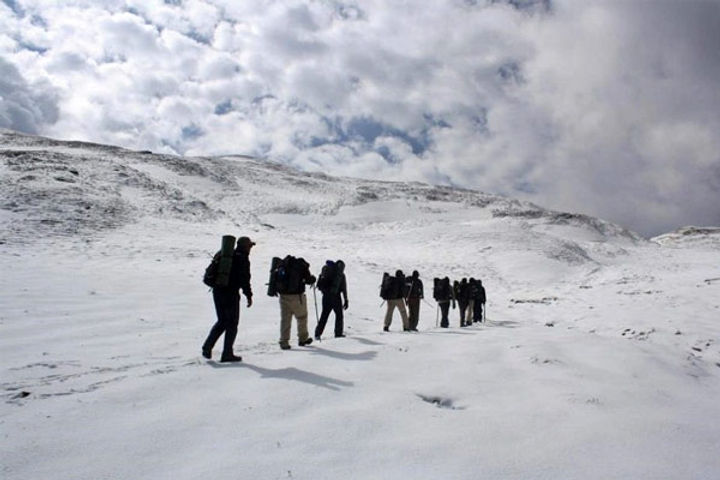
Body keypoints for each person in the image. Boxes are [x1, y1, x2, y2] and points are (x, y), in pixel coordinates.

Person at [202, 236, 254, 362]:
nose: (250, 248)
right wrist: (248, 295)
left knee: (222, 321)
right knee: (232, 324)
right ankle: (227, 353)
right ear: (245, 246)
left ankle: (207, 347)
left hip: (218, 291)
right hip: (231, 294)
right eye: (250, 246)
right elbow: (244, 279)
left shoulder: (225, 255)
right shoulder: (242, 258)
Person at [277, 256, 316, 350]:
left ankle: (284, 341)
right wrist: (313, 279)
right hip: (297, 296)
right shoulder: (301, 266)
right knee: (301, 317)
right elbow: (308, 280)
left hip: (283, 296)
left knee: (285, 320)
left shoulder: (283, 264)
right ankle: (303, 338)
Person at [314, 260, 349, 340]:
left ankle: (317, 333)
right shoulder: (340, 275)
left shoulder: (327, 271)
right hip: (336, 297)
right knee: (339, 315)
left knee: (324, 315)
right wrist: (346, 299)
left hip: (325, 296)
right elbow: (344, 288)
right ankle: (338, 333)